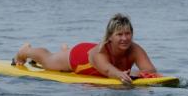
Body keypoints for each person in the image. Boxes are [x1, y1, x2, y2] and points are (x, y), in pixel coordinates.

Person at [13, 13, 160, 84]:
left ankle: (64, 49)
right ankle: (25, 51)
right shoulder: (100, 52)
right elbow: (108, 71)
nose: (125, 38)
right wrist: (121, 74)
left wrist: (137, 74)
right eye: (119, 34)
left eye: (128, 34)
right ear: (110, 37)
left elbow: (150, 70)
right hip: (78, 57)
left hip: (101, 64)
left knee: (57, 57)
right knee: (48, 61)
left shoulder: (134, 49)